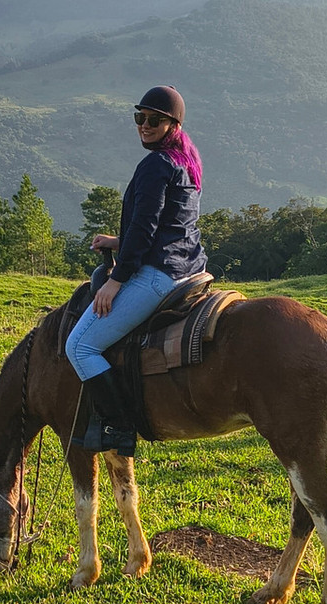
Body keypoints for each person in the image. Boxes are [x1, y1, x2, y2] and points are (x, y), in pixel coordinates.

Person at [65, 85, 207, 457]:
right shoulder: (186, 160)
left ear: (172, 124)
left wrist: (115, 281)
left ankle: (118, 426)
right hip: (189, 268)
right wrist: (116, 242)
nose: (144, 125)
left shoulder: (156, 165)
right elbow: (168, 224)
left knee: (79, 346)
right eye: (139, 118)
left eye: (154, 120)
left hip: (159, 274)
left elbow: (145, 230)